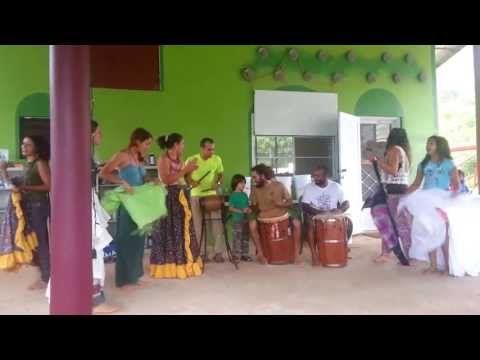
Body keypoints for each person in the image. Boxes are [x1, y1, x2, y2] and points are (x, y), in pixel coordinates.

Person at [100, 128, 153, 291]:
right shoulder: (122, 155)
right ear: (137, 141)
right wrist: (122, 182)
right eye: (147, 143)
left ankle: (134, 276)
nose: (148, 147)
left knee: (138, 239)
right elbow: (104, 173)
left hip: (139, 204)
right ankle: (123, 280)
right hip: (127, 203)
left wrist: (153, 181)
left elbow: (142, 179)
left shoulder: (139, 158)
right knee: (125, 239)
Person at [149, 133, 203, 279]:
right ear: (175, 145)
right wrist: (185, 170)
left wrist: (191, 178)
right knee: (168, 231)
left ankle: (184, 263)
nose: (184, 146)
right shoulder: (163, 159)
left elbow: (182, 177)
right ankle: (169, 267)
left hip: (180, 197)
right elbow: (166, 179)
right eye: (183, 143)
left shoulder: (179, 159)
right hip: (167, 198)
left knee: (181, 231)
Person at [1, 136, 51, 290]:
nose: (23, 147)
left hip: (38, 206)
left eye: (28, 144)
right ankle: (43, 275)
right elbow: (12, 184)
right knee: (32, 242)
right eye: (23, 144)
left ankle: (46, 277)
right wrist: (3, 170)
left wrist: (25, 189)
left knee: (41, 242)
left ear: (37, 147)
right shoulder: (27, 165)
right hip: (28, 206)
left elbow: (49, 186)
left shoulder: (40, 164)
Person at [407, 135, 459, 274]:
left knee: (443, 234)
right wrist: (404, 194)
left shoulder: (448, 163)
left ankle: (448, 266)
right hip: (426, 201)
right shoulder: (423, 164)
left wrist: (451, 200)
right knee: (429, 232)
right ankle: (433, 265)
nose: (428, 146)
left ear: (440, 146)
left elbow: (456, 184)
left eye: (432, 143)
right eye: (428, 143)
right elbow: (416, 184)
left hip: (441, 201)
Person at [368, 128, 412, 264]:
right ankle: (395, 253)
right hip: (398, 191)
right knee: (394, 223)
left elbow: (393, 171)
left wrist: (377, 161)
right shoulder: (403, 151)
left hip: (393, 193)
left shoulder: (395, 150)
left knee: (391, 223)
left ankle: (397, 254)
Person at [89, 121, 120, 313]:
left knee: (96, 251)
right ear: (90, 134)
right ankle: (96, 301)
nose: (102, 135)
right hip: (84, 204)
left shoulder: (88, 154)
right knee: (94, 250)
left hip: (89, 201)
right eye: (99, 132)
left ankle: (96, 297)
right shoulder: (81, 153)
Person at [248, 164, 302, 265]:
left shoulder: (279, 185)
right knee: (252, 225)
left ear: (263, 176)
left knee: (297, 224)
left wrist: (282, 204)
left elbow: (290, 201)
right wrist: (252, 207)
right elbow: (253, 206)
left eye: (255, 177)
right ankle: (260, 253)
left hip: (281, 211)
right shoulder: (255, 189)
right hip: (263, 213)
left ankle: (296, 254)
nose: (253, 180)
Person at [301, 166, 352, 266]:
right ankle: (314, 254)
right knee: (309, 223)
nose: (315, 178)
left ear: (326, 176)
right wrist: (319, 213)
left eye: (318, 176)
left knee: (349, 223)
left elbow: (347, 203)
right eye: (314, 176)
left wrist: (340, 210)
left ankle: (343, 247)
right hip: (315, 213)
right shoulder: (309, 188)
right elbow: (304, 205)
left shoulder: (336, 187)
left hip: (331, 214)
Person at [186, 138, 226, 263]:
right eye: (209, 149)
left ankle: (218, 253)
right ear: (202, 148)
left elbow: (220, 175)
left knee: (217, 225)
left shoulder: (217, 159)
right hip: (196, 195)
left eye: (213, 149)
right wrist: (192, 182)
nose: (212, 152)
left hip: (212, 195)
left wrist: (218, 184)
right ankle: (202, 254)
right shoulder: (192, 160)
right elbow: (185, 176)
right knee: (198, 225)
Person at [228, 174, 252, 262]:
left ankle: (245, 254)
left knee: (245, 237)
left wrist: (248, 210)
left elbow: (247, 206)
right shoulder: (233, 195)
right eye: (241, 183)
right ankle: (236, 255)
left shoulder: (245, 195)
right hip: (237, 220)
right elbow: (231, 208)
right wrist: (241, 211)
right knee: (237, 238)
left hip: (245, 219)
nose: (243, 185)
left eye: (244, 183)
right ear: (236, 183)